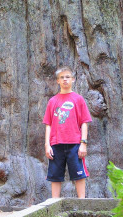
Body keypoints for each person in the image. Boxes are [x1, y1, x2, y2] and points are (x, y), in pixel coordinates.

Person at [43, 66, 92, 198]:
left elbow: (84, 122)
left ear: (73, 80)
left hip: (75, 143)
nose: (65, 80)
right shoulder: (52, 101)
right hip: (56, 143)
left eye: (67, 77)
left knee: (79, 174)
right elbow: (48, 124)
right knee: (55, 175)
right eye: (62, 77)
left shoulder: (78, 99)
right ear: (58, 81)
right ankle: (54, 203)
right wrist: (47, 145)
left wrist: (83, 143)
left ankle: (82, 202)